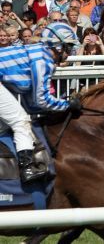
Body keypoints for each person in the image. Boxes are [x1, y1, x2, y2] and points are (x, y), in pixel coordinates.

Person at [0, 22, 81, 183]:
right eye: (68, 46)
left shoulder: (39, 53)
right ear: (58, 46)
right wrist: (67, 105)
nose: (70, 51)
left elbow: (31, 102)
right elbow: (41, 99)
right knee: (20, 120)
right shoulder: (43, 60)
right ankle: (27, 168)